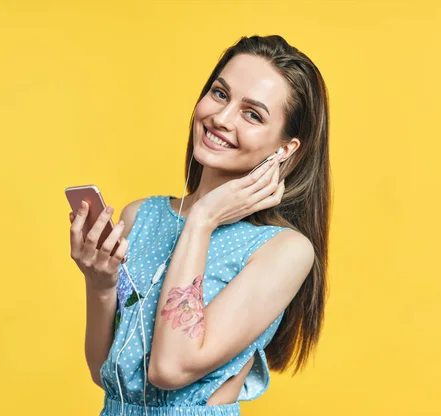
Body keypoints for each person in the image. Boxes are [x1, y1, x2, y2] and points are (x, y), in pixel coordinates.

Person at [69, 34, 331, 416]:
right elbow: (107, 373)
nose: (221, 119)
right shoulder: (141, 216)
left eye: (252, 114)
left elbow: (168, 368)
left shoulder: (282, 250)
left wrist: (202, 220)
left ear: (286, 149)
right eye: (220, 94)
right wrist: (100, 283)